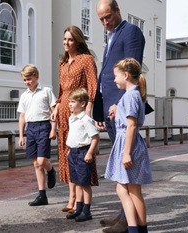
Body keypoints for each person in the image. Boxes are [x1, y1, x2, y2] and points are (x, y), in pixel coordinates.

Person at [92, 1, 149, 232]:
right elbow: (106, 74)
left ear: (117, 11)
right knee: (121, 175)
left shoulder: (131, 32)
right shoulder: (111, 36)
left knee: (126, 172)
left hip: (121, 109)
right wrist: (99, 108)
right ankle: (125, 216)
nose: (105, 22)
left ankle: (128, 223)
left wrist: (118, 103)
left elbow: (131, 69)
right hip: (111, 107)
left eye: (108, 17)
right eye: (101, 19)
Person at [51, 26, 99, 213]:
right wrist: (55, 107)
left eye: (70, 39)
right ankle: (71, 198)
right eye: (65, 39)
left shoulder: (86, 60)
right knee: (66, 156)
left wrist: (88, 111)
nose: (66, 43)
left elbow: (92, 87)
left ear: (78, 41)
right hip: (63, 113)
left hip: (78, 113)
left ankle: (79, 201)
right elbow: (61, 91)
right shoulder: (62, 64)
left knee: (80, 152)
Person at [106, 58, 152, 233]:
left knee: (129, 191)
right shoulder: (132, 95)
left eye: (116, 76)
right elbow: (128, 121)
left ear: (125, 75)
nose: (114, 80)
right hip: (128, 143)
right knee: (130, 190)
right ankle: (138, 229)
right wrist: (117, 114)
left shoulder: (131, 95)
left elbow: (131, 125)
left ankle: (134, 229)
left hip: (128, 146)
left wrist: (126, 154)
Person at [17, 64, 57, 206]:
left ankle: (51, 170)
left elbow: (54, 112)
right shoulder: (24, 96)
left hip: (44, 126)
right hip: (31, 128)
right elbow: (22, 116)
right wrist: (21, 136)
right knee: (36, 164)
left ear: (37, 77)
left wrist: (53, 129)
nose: (27, 82)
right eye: (24, 80)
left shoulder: (46, 91)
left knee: (41, 161)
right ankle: (42, 195)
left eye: (29, 79)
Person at [64, 88, 100, 222]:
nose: (70, 104)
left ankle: (86, 211)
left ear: (83, 103)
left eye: (73, 102)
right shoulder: (71, 118)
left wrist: (90, 153)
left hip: (83, 153)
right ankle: (78, 209)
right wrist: (69, 150)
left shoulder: (86, 120)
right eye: (69, 102)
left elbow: (95, 137)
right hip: (73, 153)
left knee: (85, 184)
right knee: (76, 182)